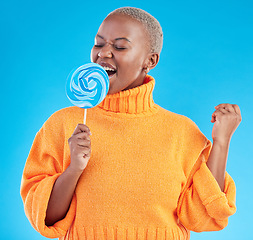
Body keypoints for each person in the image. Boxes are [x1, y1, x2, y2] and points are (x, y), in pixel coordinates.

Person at [21, 7, 241, 240]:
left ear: (150, 60)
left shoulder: (182, 132)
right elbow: (46, 219)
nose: (104, 53)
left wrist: (221, 142)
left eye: (120, 46)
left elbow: (205, 216)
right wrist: (74, 169)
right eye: (99, 44)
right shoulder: (63, 124)